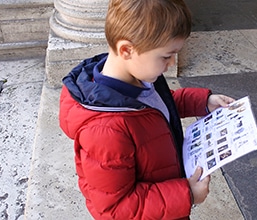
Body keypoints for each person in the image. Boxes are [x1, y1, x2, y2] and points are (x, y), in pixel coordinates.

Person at [59, 0, 235, 219]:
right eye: (166, 56)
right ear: (127, 50)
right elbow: (115, 207)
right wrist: (186, 195)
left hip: (164, 200)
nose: (172, 62)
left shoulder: (139, 77)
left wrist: (203, 101)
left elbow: (160, 106)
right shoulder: (105, 131)